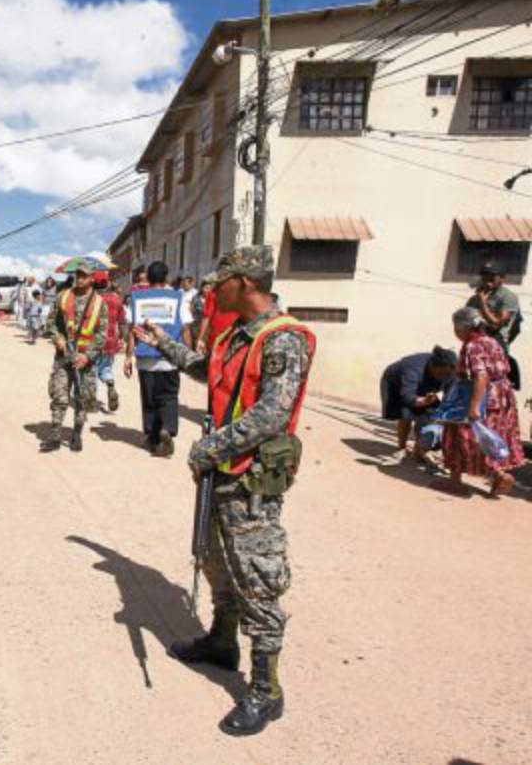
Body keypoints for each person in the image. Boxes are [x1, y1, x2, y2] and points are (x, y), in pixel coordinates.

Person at [133, 244, 316, 737]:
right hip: (222, 471)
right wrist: (159, 341)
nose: (215, 289)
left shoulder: (283, 339)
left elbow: (273, 413)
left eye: (224, 281)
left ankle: (265, 689)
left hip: (252, 478)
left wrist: (211, 446)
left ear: (248, 284)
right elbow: (206, 371)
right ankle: (221, 640)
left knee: (257, 578)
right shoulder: (237, 335)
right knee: (217, 562)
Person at [437, 307, 525, 497]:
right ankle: (499, 474)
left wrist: (474, 407)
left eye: (455, 327)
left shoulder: (472, 345)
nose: (455, 332)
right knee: (488, 437)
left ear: (465, 327)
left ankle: (454, 482)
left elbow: (481, 376)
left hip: (481, 396)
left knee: (457, 435)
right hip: (502, 397)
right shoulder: (492, 342)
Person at [124, 261, 191, 457]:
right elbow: (186, 329)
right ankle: (167, 429)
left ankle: (152, 439)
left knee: (149, 400)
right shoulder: (178, 298)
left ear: (148, 278)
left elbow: (130, 331)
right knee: (169, 397)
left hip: (145, 358)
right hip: (169, 357)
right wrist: (186, 355)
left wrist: (128, 357)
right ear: (166, 277)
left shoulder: (136, 298)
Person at [42, 262, 108, 453]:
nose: (80, 278)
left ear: (92, 278)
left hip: (85, 360)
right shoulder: (63, 296)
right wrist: (58, 338)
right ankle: (54, 435)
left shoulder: (99, 303)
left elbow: (102, 334)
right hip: (63, 357)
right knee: (59, 395)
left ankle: (77, 434)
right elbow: (50, 323)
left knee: (82, 398)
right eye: (78, 275)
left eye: (84, 275)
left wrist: (88, 356)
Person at [380, 347, 456, 460]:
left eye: (448, 374)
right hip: (396, 383)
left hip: (423, 386)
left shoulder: (450, 372)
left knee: (428, 414)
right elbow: (407, 397)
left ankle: (418, 451)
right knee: (405, 414)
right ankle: (401, 447)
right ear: (432, 367)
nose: (444, 377)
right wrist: (424, 401)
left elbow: (449, 397)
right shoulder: (413, 368)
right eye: (441, 373)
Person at [466, 261, 521, 389]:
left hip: (496, 346)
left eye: (492, 276)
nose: (487, 279)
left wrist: (483, 304)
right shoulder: (475, 298)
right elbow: (466, 321)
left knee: (495, 385)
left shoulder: (508, 297)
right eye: (484, 275)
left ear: (502, 278)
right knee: (475, 384)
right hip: (476, 345)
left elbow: (496, 324)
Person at [92, 270, 125, 412]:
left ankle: (91, 401)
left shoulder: (91, 299)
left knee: (91, 371)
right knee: (106, 368)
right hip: (111, 341)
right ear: (107, 282)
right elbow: (122, 322)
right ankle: (110, 384)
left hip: (93, 341)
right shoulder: (116, 299)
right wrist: (122, 338)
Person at [196, 271, 238, 355]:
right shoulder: (240, 293)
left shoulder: (213, 293)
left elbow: (206, 317)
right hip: (235, 337)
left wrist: (200, 339)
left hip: (218, 338)